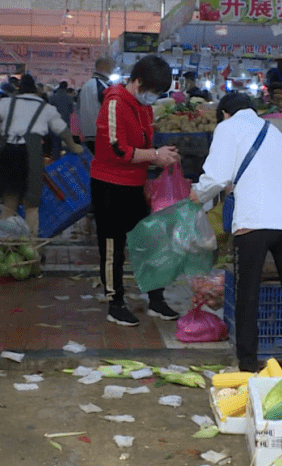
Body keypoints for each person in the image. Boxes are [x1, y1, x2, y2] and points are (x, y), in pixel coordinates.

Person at [189, 93, 282, 374]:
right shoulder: (274, 132)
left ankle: (248, 367)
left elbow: (216, 177)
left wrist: (197, 193)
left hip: (253, 222)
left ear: (225, 113)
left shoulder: (227, 127)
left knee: (247, 296)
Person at [89, 55, 181, 327]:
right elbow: (116, 149)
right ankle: (115, 302)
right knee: (112, 246)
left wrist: (151, 168)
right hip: (109, 184)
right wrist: (154, 155)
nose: (153, 98)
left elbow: (142, 143)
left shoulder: (143, 107)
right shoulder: (115, 101)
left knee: (150, 241)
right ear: (138, 82)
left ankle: (156, 298)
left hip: (135, 183)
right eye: (153, 91)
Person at [0, 74, 83, 236]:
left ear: (19, 89)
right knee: (31, 202)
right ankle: (31, 243)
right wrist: (74, 146)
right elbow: (62, 130)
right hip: (32, 151)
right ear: (36, 91)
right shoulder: (44, 107)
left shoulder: (7, 102)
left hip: (9, 150)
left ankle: (4, 240)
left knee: (10, 197)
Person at [78, 56, 116, 154]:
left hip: (88, 134)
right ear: (103, 66)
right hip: (101, 135)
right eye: (112, 66)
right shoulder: (102, 86)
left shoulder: (86, 85)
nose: (114, 68)